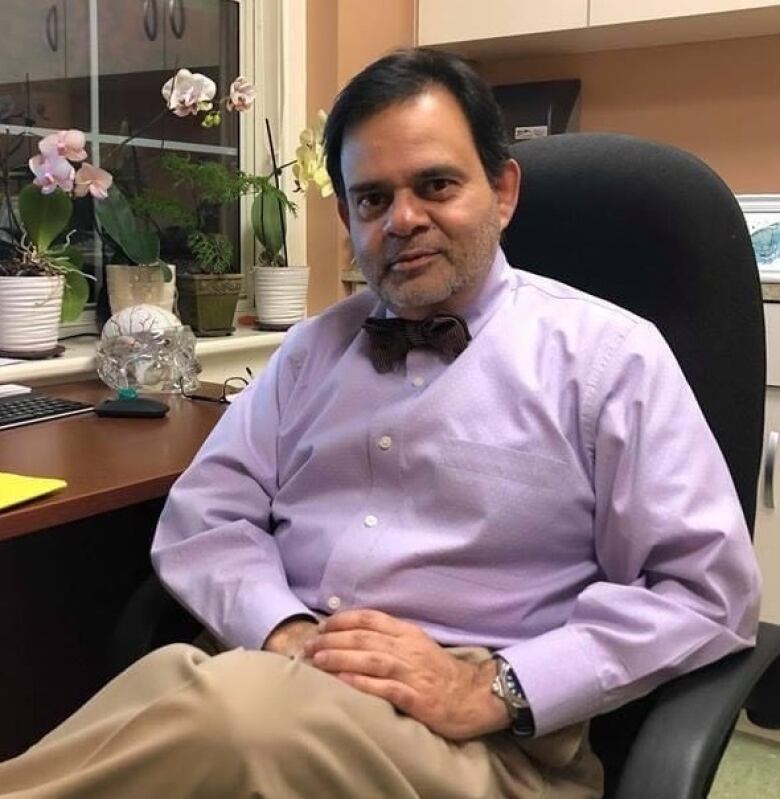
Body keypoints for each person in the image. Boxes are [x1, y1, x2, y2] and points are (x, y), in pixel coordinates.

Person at [0, 48, 760, 799]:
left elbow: (704, 591)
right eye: (372, 198)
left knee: (236, 717)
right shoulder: (308, 353)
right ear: (347, 216)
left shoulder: (609, 359)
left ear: (502, 191)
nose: (402, 219)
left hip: (483, 742)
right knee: (176, 680)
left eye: (435, 185)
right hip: (278, 673)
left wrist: (496, 688)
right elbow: (208, 520)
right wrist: (284, 628)